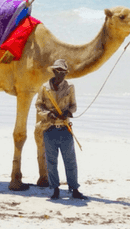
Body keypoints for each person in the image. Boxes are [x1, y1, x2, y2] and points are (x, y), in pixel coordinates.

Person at [35, 59, 87, 200]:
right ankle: (55, 189)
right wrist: (49, 114)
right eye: (59, 71)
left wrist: (68, 113)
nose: (61, 74)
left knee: (70, 161)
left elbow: (74, 106)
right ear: (54, 71)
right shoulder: (44, 88)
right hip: (49, 129)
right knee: (51, 162)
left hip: (65, 129)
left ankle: (74, 189)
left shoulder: (70, 87)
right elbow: (39, 106)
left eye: (64, 72)